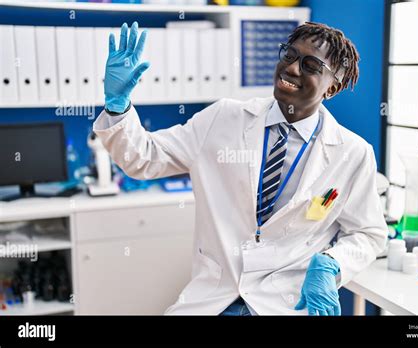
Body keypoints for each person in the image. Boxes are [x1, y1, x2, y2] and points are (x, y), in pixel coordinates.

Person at [93, 21, 388, 316]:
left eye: (310, 65)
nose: (292, 69)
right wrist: (118, 105)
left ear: (332, 88)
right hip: (212, 299)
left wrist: (331, 264)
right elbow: (144, 158)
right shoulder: (224, 117)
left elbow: (368, 234)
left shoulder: (353, 153)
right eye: (289, 55)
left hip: (284, 303)